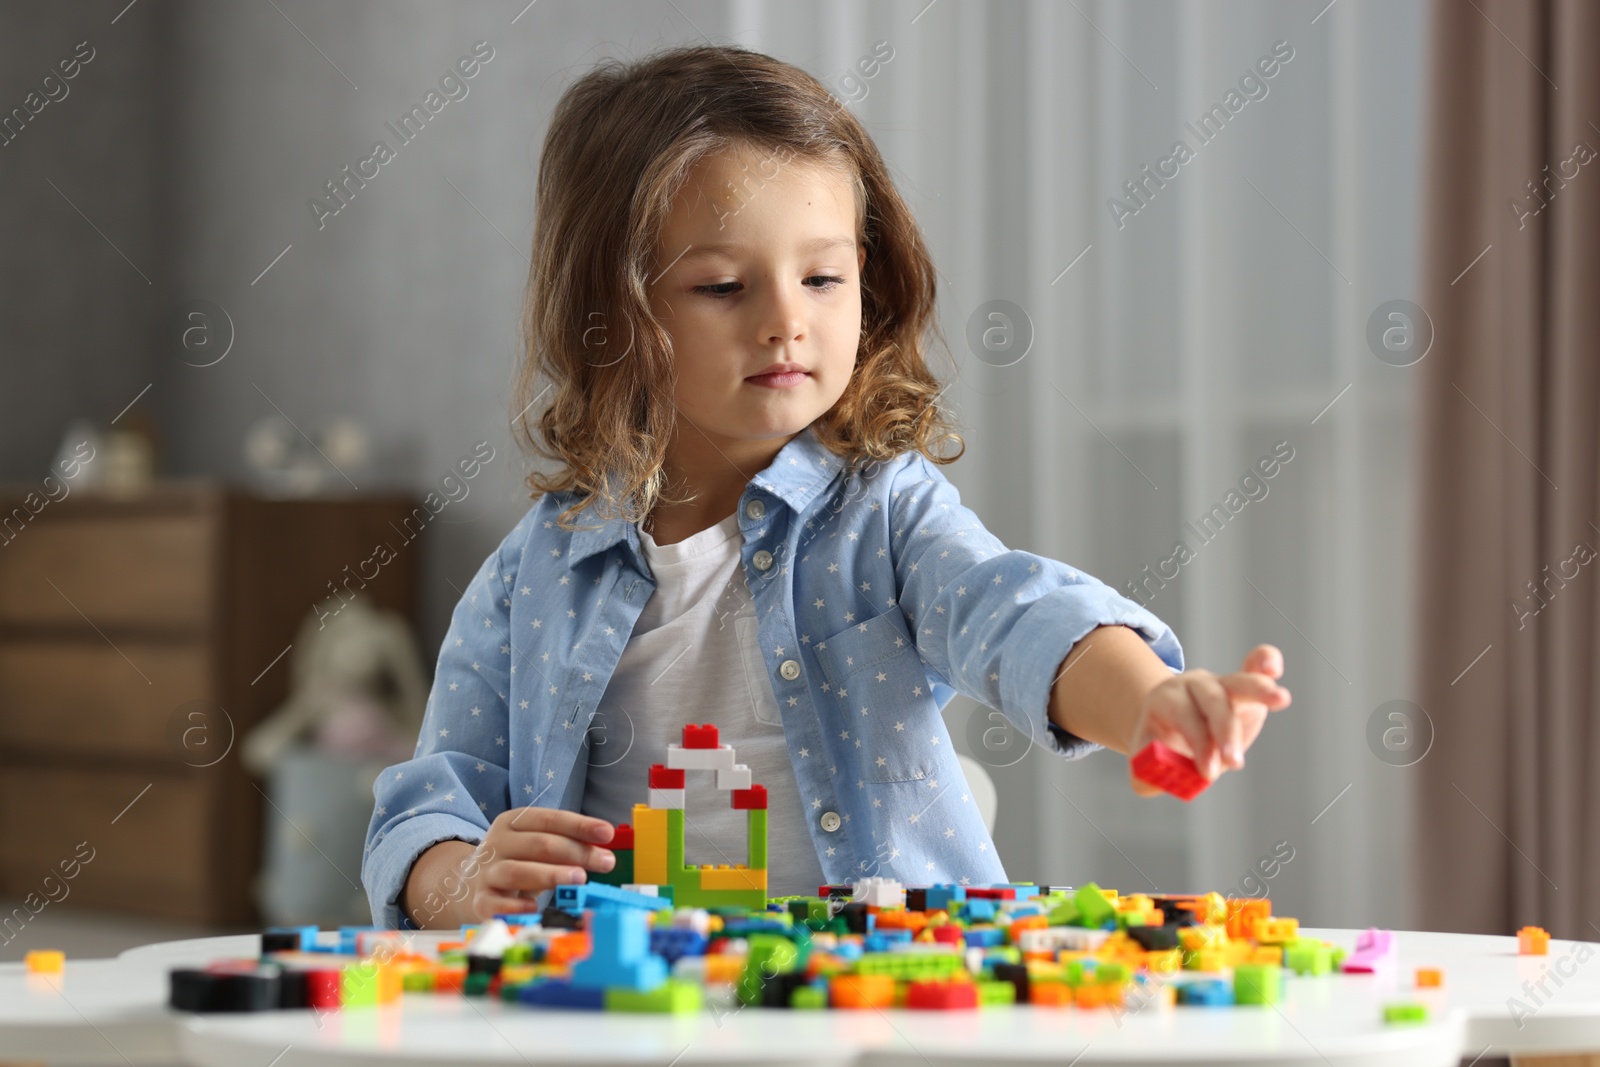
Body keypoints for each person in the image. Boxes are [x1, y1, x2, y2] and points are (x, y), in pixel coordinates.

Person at [361, 44, 1291, 929]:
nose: (786, 322)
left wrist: (1148, 702)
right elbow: (431, 800)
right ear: (609, 317)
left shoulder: (883, 510)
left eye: (821, 276)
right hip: (628, 1001)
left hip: (876, 998)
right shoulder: (537, 573)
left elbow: (1010, 613)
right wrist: (466, 878)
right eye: (723, 286)